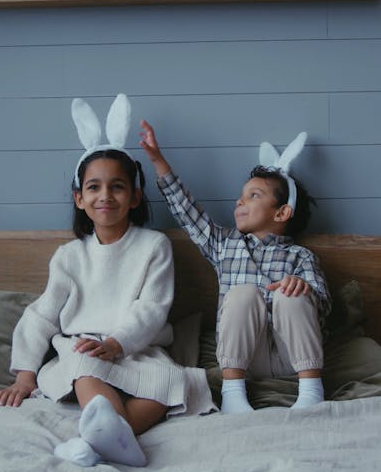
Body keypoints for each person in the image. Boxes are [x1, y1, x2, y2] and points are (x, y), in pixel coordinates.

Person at [0, 95, 213, 468]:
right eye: (94, 187)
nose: (105, 196)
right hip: (84, 350)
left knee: (169, 386)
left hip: (135, 348)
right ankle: (112, 440)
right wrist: (25, 374)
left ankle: (93, 444)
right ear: (79, 199)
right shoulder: (70, 256)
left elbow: (152, 307)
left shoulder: (153, 246)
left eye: (117, 186)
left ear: (134, 197)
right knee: (84, 369)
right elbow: (42, 315)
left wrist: (118, 343)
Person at [140, 120, 332, 413]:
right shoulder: (226, 244)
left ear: (282, 212)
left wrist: (305, 290)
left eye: (253, 196)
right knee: (243, 293)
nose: (240, 201)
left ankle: (311, 392)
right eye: (241, 196)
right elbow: (187, 212)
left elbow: (324, 307)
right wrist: (158, 160)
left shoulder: (301, 256)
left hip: (292, 356)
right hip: (245, 357)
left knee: (292, 293)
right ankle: (233, 395)